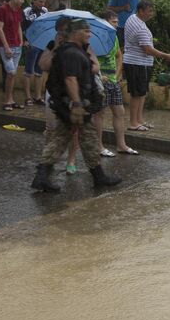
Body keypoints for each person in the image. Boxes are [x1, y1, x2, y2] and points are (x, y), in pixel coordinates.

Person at [30, 17, 123, 193]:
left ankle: (43, 176)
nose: (89, 34)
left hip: (72, 105)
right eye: (86, 31)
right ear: (75, 33)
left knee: (69, 139)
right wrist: (77, 104)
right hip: (73, 106)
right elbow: (70, 79)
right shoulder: (71, 53)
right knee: (79, 138)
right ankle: (97, 176)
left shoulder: (76, 50)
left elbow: (89, 69)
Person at [122, 0, 170, 132]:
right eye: (149, 11)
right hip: (137, 63)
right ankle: (133, 122)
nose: (151, 14)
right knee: (137, 93)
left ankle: (139, 120)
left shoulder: (132, 18)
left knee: (142, 93)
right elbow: (147, 49)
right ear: (140, 11)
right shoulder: (140, 27)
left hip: (139, 63)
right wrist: (165, 56)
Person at [98, 7, 138, 156]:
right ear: (104, 22)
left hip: (112, 80)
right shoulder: (96, 37)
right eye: (113, 22)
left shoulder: (114, 36)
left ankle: (121, 145)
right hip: (100, 80)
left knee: (119, 111)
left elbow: (119, 55)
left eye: (116, 22)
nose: (116, 25)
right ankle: (99, 146)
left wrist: (118, 73)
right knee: (99, 113)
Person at [0, 0, 25, 110]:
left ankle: (11, 100)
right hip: (5, 46)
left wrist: (21, 40)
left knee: (12, 75)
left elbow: (18, 25)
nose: (22, 1)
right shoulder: (3, 9)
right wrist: (6, 46)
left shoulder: (18, 10)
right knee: (11, 72)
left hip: (17, 45)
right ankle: (7, 100)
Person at [21, 0, 48, 106]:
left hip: (42, 43)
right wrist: (24, 40)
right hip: (31, 44)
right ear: (34, 0)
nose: (42, 4)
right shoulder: (26, 11)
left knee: (39, 72)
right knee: (28, 71)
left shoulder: (45, 11)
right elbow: (21, 26)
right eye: (40, 1)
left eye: (43, 2)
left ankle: (38, 96)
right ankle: (28, 97)